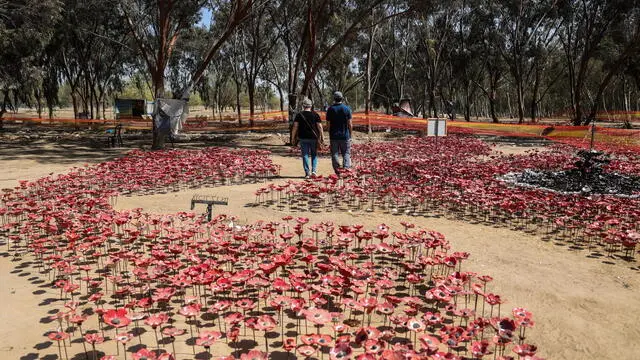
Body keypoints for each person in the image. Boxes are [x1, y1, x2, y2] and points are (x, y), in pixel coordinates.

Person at [290, 97, 324, 178]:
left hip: (303, 138)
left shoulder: (299, 115)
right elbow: (320, 127)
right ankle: (314, 171)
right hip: (314, 138)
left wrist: (292, 137)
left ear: (303, 106)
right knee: (314, 155)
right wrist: (322, 137)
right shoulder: (315, 115)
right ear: (311, 106)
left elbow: (295, 127)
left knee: (305, 155)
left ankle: (307, 173)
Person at [326, 91, 352, 175]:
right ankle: (346, 169)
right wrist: (350, 134)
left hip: (333, 136)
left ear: (334, 99)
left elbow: (328, 124)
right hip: (345, 136)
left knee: (334, 153)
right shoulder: (347, 109)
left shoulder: (330, 109)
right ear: (342, 98)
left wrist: (329, 132)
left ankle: (337, 170)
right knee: (346, 153)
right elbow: (350, 124)